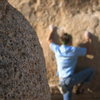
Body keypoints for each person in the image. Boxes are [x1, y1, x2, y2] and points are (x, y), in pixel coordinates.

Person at [48, 26, 94, 100]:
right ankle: (80, 88)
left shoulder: (57, 49)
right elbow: (89, 52)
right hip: (70, 80)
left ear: (61, 41)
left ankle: (70, 87)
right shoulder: (73, 50)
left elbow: (49, 40)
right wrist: (88, 38)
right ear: (71, 41)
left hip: (62, 80)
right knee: (91, 71)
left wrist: (52, 30)